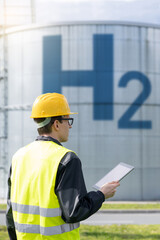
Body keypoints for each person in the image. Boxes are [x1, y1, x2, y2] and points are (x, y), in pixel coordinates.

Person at [6, 92, 120, 240]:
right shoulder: (66, 159)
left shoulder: (18, 156)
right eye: (68, 120)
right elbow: (75, 211)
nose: (70, 126)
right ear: (57, 124)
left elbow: (10, 214)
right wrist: (101, 194)